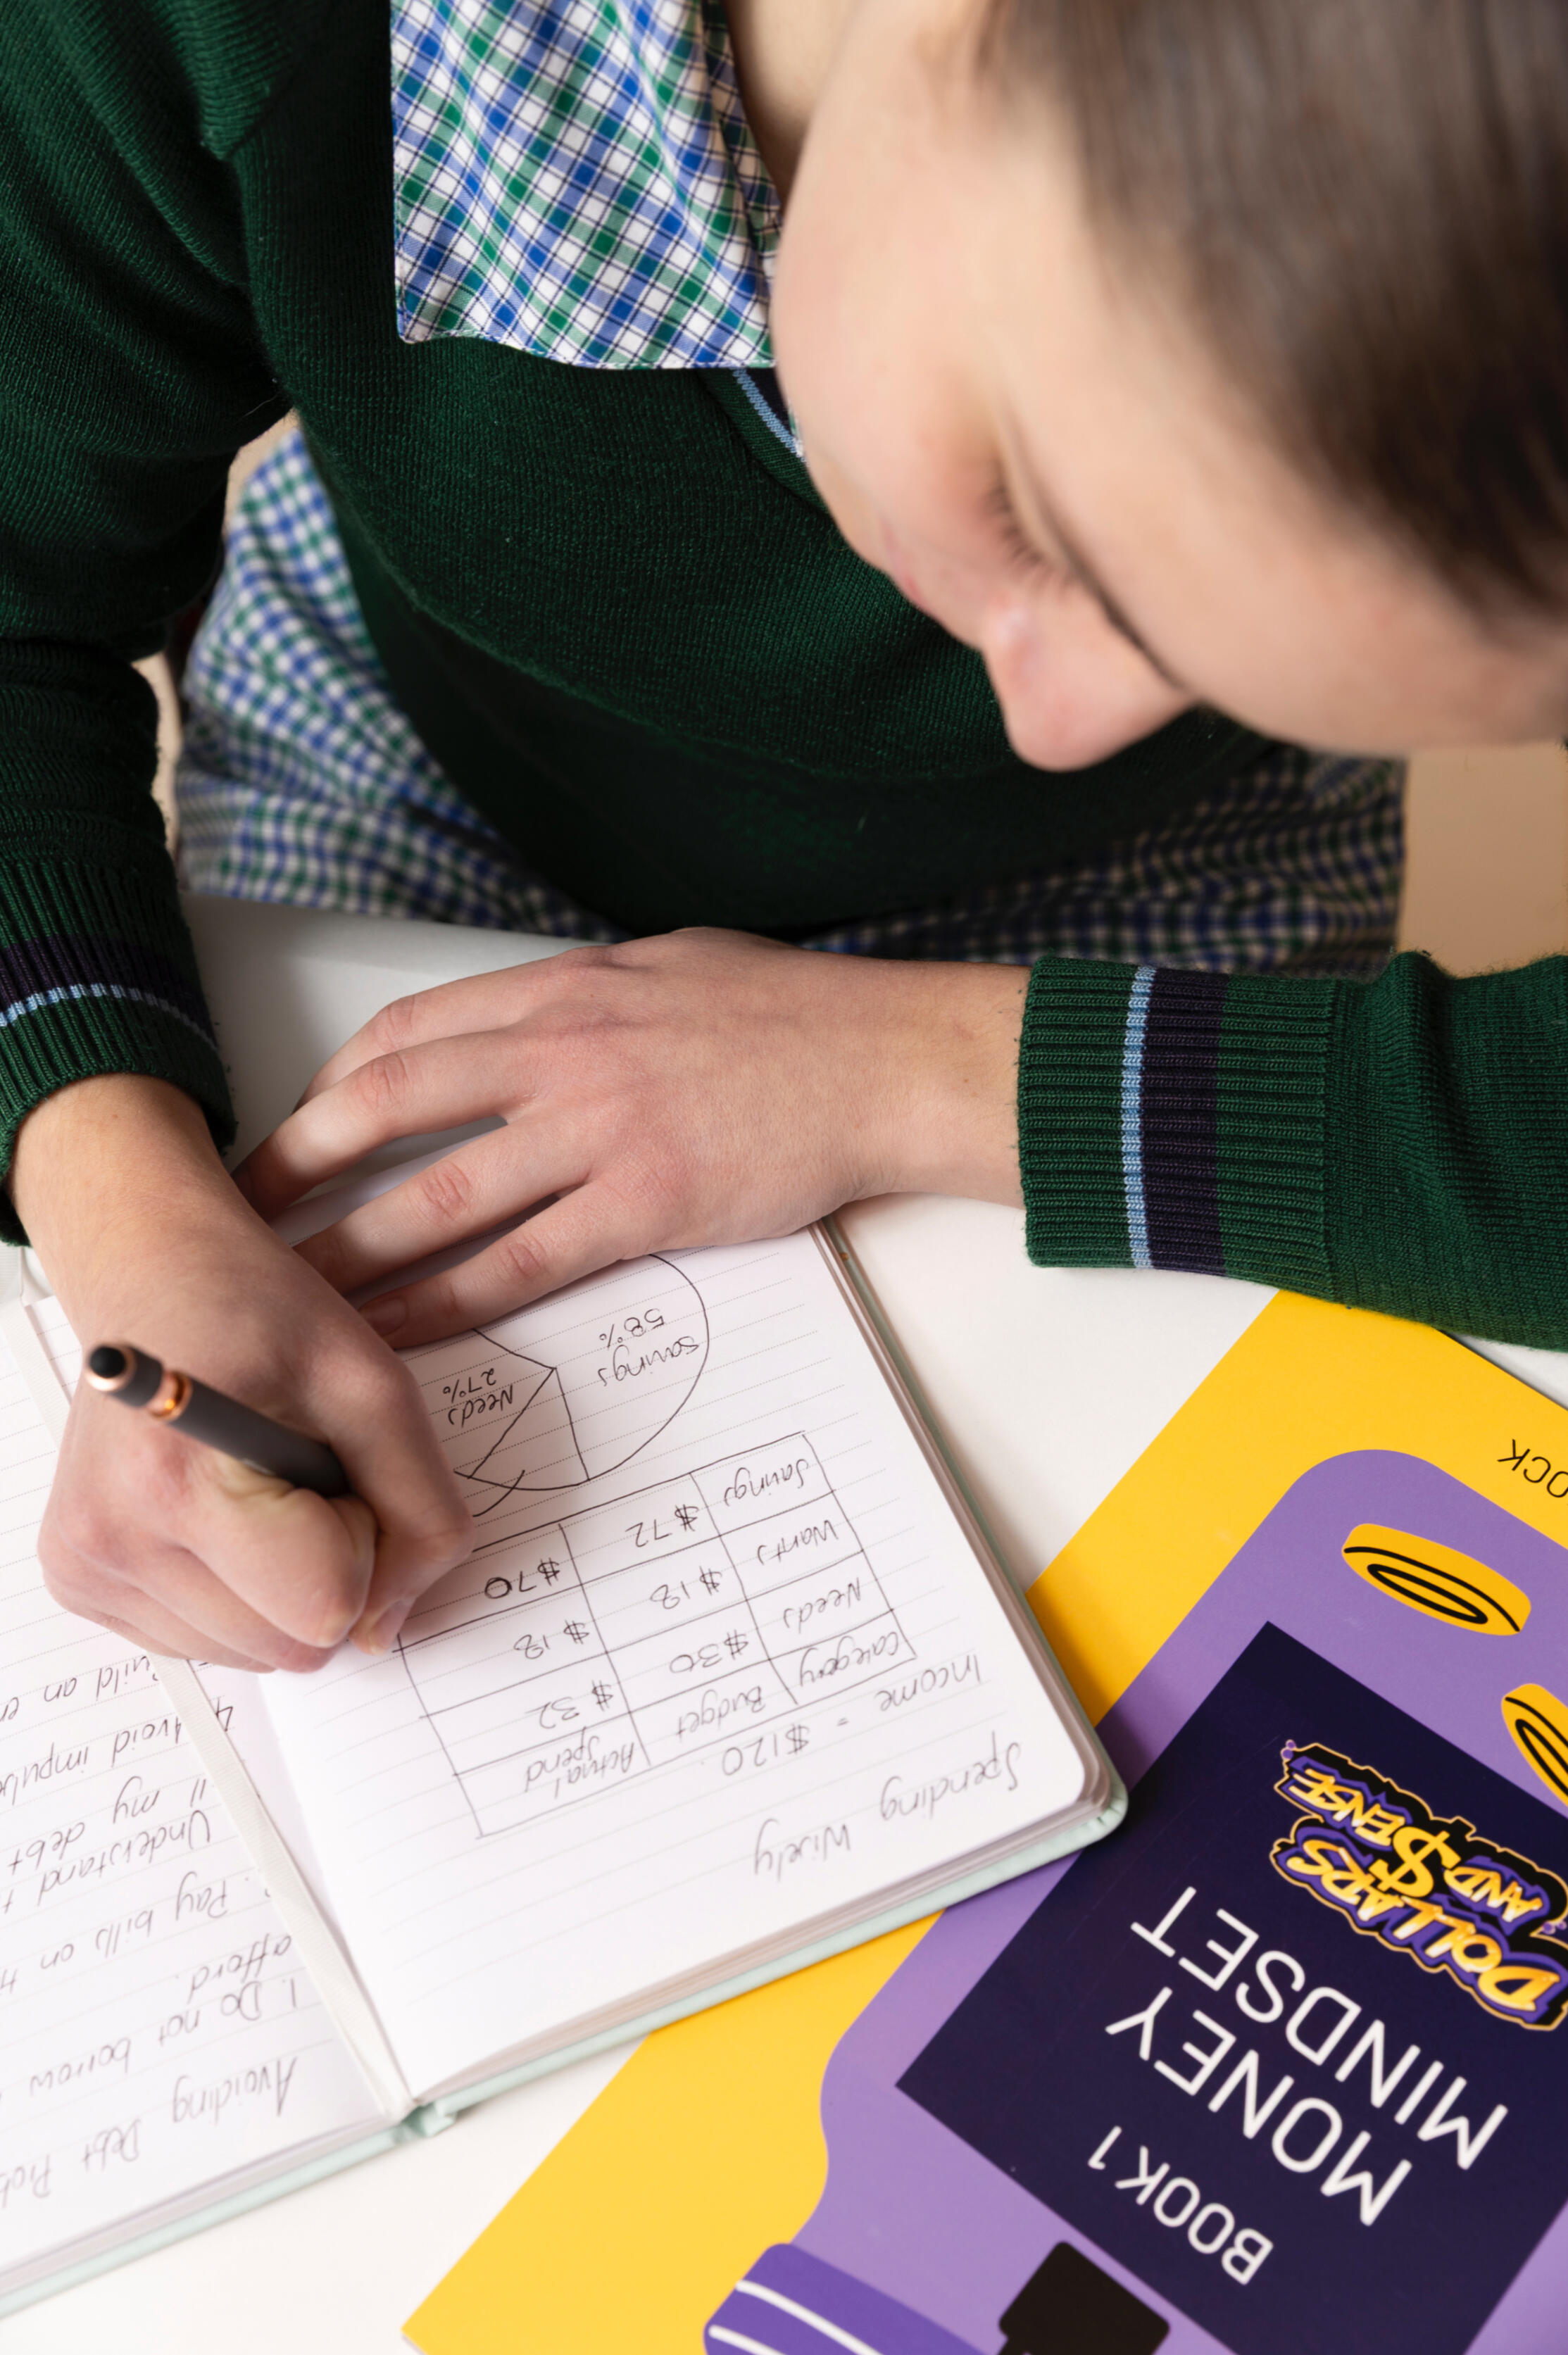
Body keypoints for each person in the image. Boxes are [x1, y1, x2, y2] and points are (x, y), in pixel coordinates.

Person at [1, 0, 1565, 1674]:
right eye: (1040, 518)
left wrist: (926, 1069)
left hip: (1171, 883)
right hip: (418, 744)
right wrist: (118, 1200)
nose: (1038, 730)